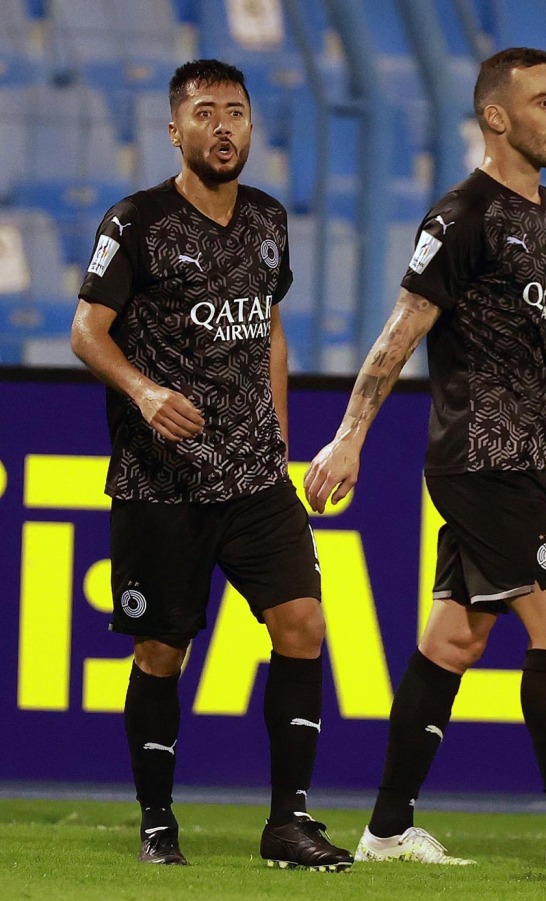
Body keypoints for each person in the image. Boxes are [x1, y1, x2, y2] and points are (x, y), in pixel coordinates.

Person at [303, 46, 546, 870]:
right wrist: (350, 436)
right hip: (476, 460)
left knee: (453, 641)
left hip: (526, 457)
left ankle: (386, 830)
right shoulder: (459, 218)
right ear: (497, 116)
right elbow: (401, 331)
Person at [70, 59, 351, 872]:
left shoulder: (267, 219)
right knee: (163, 651)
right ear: (175, 130)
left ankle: (287, 824)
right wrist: (146, 392)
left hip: (257, 479)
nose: (224, 127)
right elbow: (87, 331)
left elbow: (268, 328)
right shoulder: (137, 222)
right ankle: (158, 820)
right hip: (162, 481)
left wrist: (283, 443)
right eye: (205, 113)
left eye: (236, 112)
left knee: (303, 627)